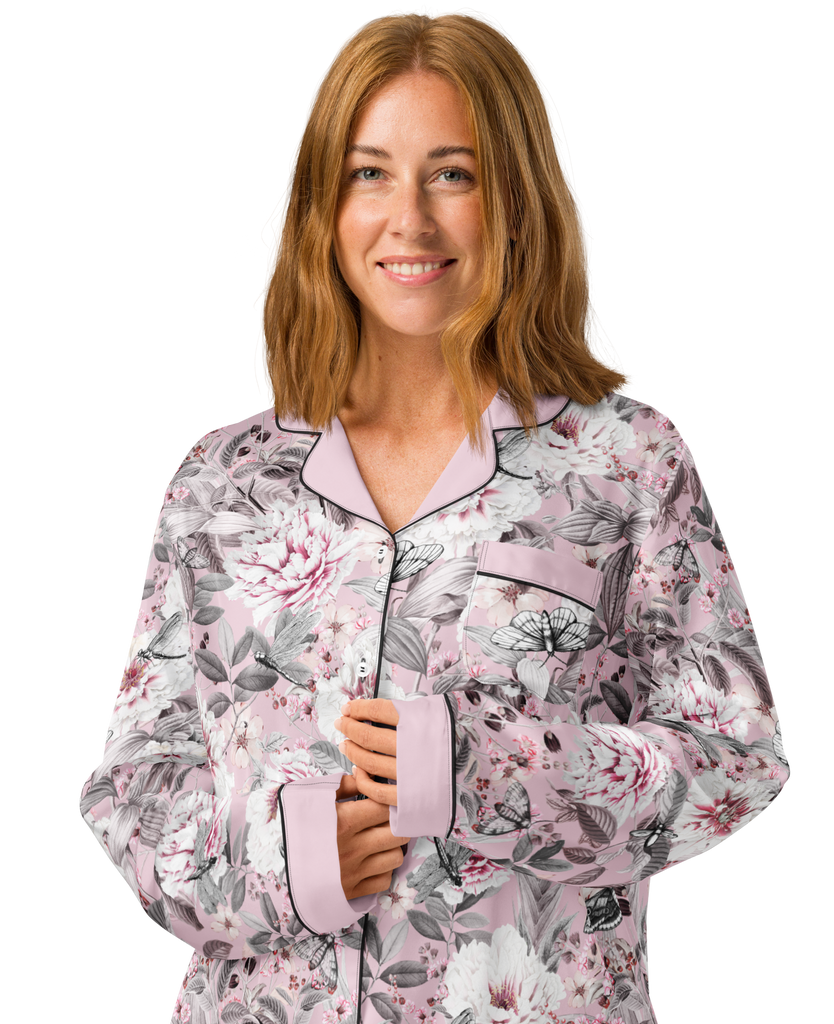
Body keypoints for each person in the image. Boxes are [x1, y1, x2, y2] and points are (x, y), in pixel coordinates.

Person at [77, 5, 793, 1022]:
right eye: (368, 174)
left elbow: (735, 757)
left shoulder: (629, 460)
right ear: (323, 205)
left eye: (452, 173)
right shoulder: (221, 480)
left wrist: (489, 768)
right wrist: (283, 862)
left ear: (516, 201)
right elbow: (132, 787)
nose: (408, 220)